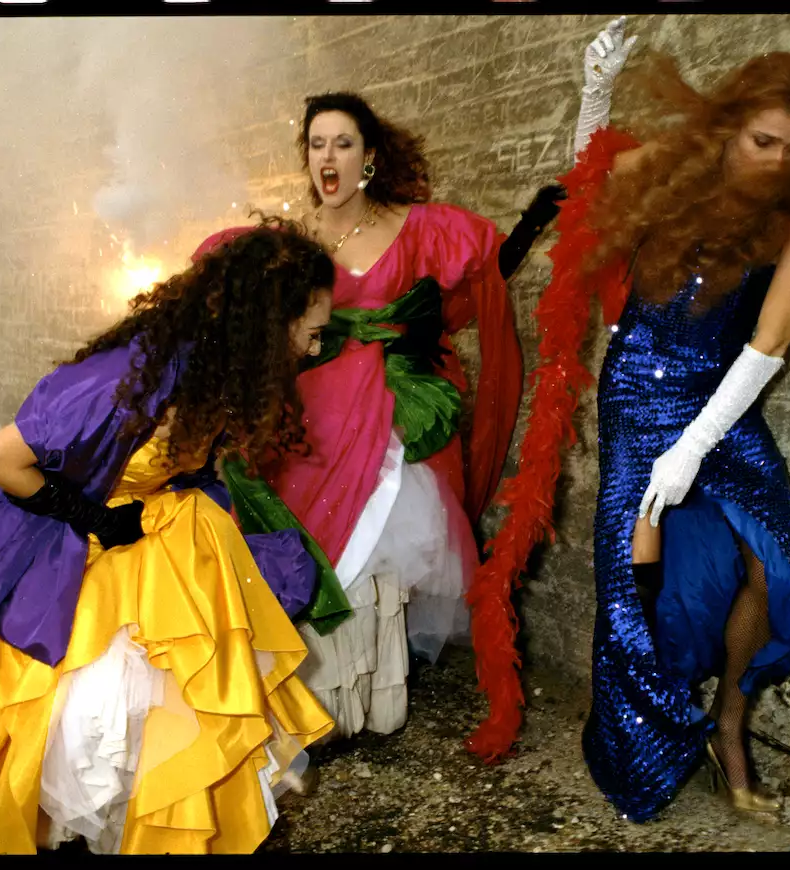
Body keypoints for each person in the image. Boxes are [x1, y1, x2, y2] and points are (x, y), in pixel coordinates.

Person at [0, 218, 338, 855]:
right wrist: (99, 520)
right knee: (84, 743)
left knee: (167, 743)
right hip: (81, 570)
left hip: (157, 556)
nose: (313, 350)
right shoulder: (131, 375)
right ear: (265, 320)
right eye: (310, 333)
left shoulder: (211, 370)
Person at [475, 16, 790, 813]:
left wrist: (698, 446)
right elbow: (586, 198)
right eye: (763, 141)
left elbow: (773, 335)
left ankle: (730, 725)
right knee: (632, 590)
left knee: (774, 567)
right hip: (640, 397)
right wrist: (595, 94)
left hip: (725, 398)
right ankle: (639, 751)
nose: (779, 161)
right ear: (726, 127)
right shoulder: (673, 168)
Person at [192, 91, 548, 742]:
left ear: (369, 158)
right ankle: (322, 693)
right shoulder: (291, 244)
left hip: (390, 418)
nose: (328, 156)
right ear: (306, 158)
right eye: (316, 144)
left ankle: (377, 689)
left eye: (343, 143)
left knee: (381, 558)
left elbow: (478, 282)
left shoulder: (421, 229)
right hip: (317, 411)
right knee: (302, 538)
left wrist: (539, 218)